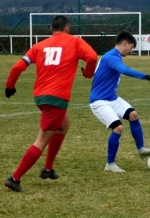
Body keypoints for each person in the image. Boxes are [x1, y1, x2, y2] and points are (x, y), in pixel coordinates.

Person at [4, 15, 98, 192]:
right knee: (41, 140)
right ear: (67, 28)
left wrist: (10, 86)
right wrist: (88, 73)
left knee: (64, 125)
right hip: (56, 98)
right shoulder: (74, 42)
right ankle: (14, 178)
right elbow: (92, 57)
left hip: (41, 97)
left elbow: (17, 67)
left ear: (51, 29)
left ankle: (48, 168)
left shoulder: (39, 45)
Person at [89, 31, 150, 173]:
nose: (132, 51)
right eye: (131, 47)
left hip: (112, 98)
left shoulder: (114, 56)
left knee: (133, 114)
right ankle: (110, 164)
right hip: (99, 101)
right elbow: (124, 70)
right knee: (118, 128)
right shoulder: (111, 57)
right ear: (124, 43)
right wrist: (146, 76)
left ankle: (141, 149)